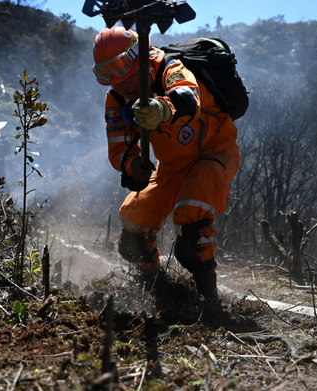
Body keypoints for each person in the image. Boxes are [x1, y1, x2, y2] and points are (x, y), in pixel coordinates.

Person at [92, 26, 240, 309]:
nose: (118, 79)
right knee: (133, 230)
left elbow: (188, 96)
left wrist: (161, 109)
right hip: (171, 166)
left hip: (214, 152)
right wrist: (134, 166)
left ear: (139, 55)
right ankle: (155, 287)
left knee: (192, 226)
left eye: (121, 65)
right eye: (105, 72)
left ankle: (210, 302)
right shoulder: (116, 97)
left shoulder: (170, 67)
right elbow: (119, 148)